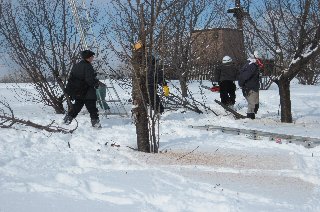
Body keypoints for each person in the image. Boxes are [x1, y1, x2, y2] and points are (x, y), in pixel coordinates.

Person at [64, 50, 101, 128]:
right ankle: (96, 124)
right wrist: (96, 83)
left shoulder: (76, 65)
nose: (93, 58)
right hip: (88, 91)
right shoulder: (88, 66)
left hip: (78, 91)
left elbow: (71, 78)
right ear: (89, 57)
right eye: (92, 56)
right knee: (92, 108)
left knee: (76, 107)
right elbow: (89, 80)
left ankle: (66, 121)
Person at [238, 51, 264, 119]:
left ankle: (252, 115)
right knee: (252, 104)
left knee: (255, 104)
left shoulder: (253, 65)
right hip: (250, 87)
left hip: (253, 87)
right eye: (259, 59)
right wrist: (241, 84)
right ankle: (250, 118)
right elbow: (244, 76)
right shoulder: (251, 65)